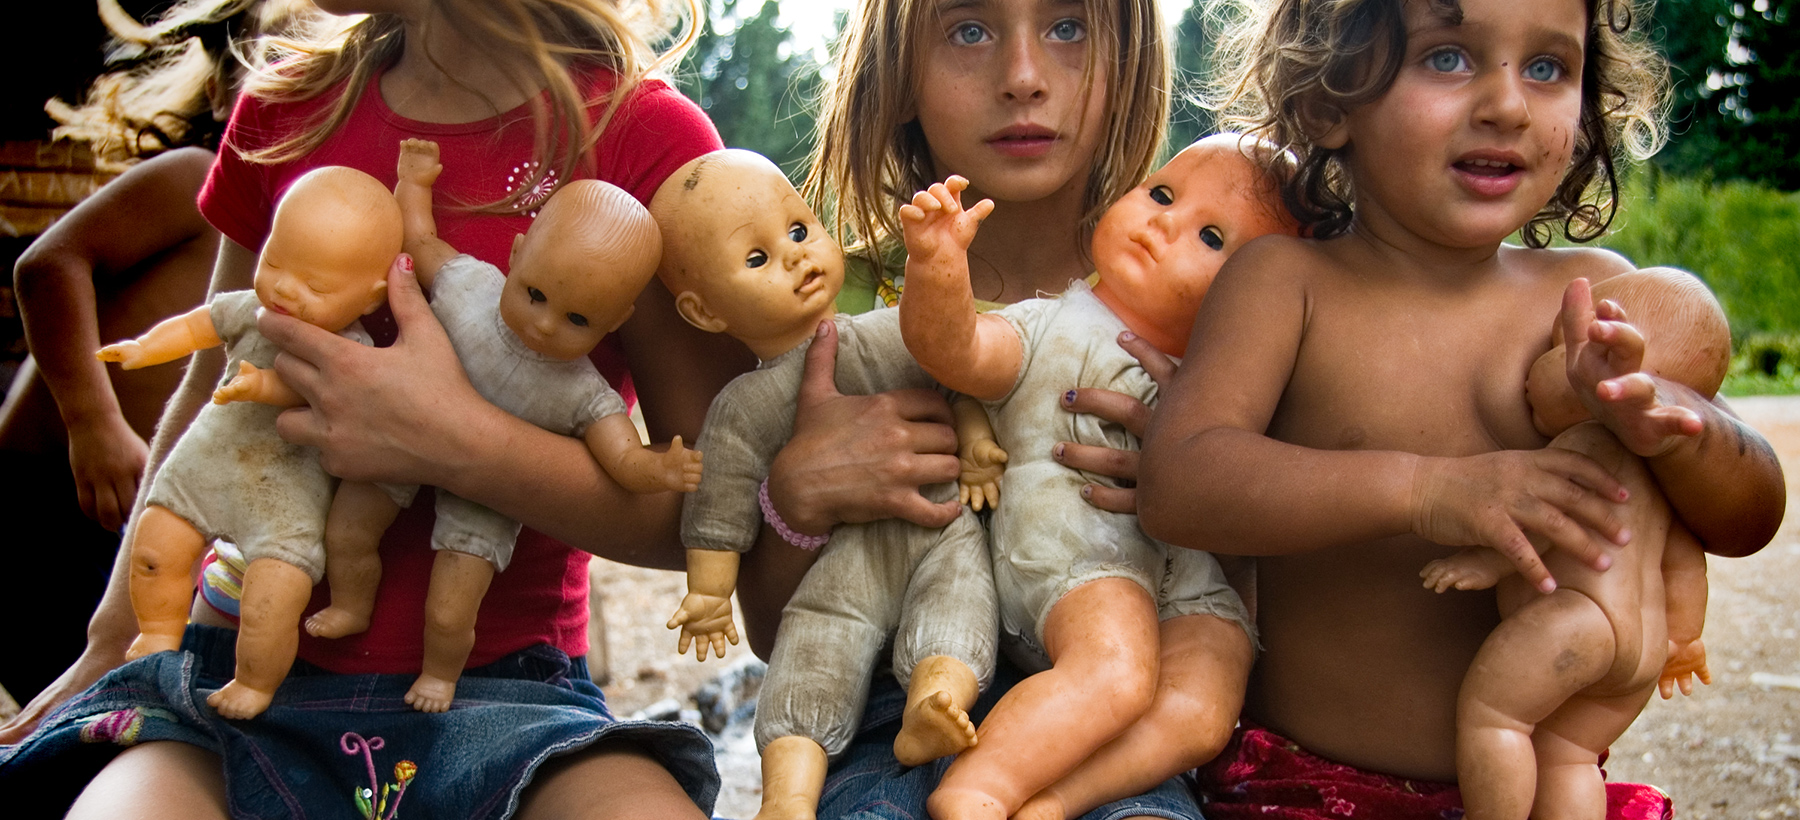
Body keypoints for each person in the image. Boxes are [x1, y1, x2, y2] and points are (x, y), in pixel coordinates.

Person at [0, 0, 748, 817]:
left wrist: (451, 441)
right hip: (228, 685)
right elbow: (209, 382)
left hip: (509, 706)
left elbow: (710, 515)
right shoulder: (286, 105)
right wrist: (114, 636)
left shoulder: (646, 141)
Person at [1137, 0, 1785, 817]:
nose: (1507, 105)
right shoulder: (1287, 285)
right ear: (1330, 99)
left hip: (1545, 794)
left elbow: (1749, 516)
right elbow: (1182, 481)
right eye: (1447, 57)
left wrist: (1680, 433)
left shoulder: (1594, 301)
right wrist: (1428, 491)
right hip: (1306, 787)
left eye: (1548, 67)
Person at [736, 1, 1226, 818]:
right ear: (897, 78)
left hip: (1112, 739)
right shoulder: (836, 306)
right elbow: (768, 629)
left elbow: (1232, 602)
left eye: (1069, 27)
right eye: (969, 31)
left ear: (1131, 62)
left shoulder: (1199, 319)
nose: (1024, 78)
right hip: (884, 728)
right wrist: (797, 497)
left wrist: (1196, 473)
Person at [892, 134, 1292, 820]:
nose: (1164, 222)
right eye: (1162, 193)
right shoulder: (1054, 324)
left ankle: (1052, 802)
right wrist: (936, 266)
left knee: (1203, 707)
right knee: (1117, 671)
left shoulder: (1227, 387)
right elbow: (955, 350)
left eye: (1212, 236)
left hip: (1180, 570)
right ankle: (978, 789)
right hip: (1075, 544)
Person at [275, 138, 699, 715]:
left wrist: (660, 467)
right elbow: (419, 238)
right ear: (518, 255)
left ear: (617, 318)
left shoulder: (580, 390)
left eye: (578, 319)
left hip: (492, 497)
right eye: (535, 295)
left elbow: (621, 457)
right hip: (392, 433)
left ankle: (440, 676)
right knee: (349, 531)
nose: (545, 325)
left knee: (452, 608)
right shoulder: (470, 287)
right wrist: (415, 183)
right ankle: (353, 602)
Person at [652, 148, 999, 820]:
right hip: (839, 567)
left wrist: (979, 445)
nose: (794, 257)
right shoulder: (740, 409)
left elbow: (954, 382)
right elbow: (720, 506)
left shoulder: (894, 332)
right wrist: (709, 590)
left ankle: (935, 705)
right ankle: (785, 800)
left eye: (800, 230)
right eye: (756, 259)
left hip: (940, 529)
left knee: (959, 607)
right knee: (809, 656)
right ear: (702, 311)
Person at [2, 0, 321, 705]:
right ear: (219, 89)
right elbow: (47, 268)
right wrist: (92, 421)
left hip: (140, 511)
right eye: (276, 63)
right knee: (96, 702)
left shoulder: (311, 236)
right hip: (53, 493)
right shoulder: (193, 179)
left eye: (324, 70)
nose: (300, 89)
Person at [96, 165, 399, 721]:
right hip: (209, 460)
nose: (284, 288)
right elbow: (195, 327)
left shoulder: (350, 351)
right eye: (275, 262)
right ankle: (159, 631)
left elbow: (309, 388)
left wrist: (261, 383)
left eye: (316, 285)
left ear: (370, 296)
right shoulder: (249, 310)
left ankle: (255, 682)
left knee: (272, 600)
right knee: (155, 547)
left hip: (287, 492)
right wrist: (143, 347)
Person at [1417, 268, 1723, 818]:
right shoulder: (1663, 474)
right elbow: (1685, 563)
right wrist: (1685, 637)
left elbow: (1544, 516)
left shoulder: (1586, 440)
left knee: (1494, 715)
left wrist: (1488, 561)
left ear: (1611, 369)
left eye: (1556, 346)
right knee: (1569, 755)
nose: (1532, 370)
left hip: (1578, 619)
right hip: (1641, 648)